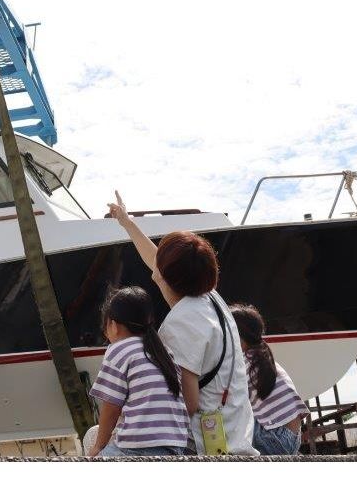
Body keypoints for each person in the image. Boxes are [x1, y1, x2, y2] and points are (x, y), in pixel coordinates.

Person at [107, 191, 257, 455]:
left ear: (163, 275)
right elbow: (155, 259)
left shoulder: (182, 323)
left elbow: (187, 403)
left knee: (100, 445)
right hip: (235, 431)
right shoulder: (210, 299)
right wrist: (127, 222)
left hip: (205, 445)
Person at [88, 286, 189, 457]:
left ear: (113, 325)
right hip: (176, 445)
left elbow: (111, 407)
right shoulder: (164, 351)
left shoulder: (118, 350)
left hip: (139, 447)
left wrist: (98, 447)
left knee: (90, 451)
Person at [230, 303, 309, 455]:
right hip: (292, 438)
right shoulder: (261, 356)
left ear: (237, 334)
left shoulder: (245, 362)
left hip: (275, 438)